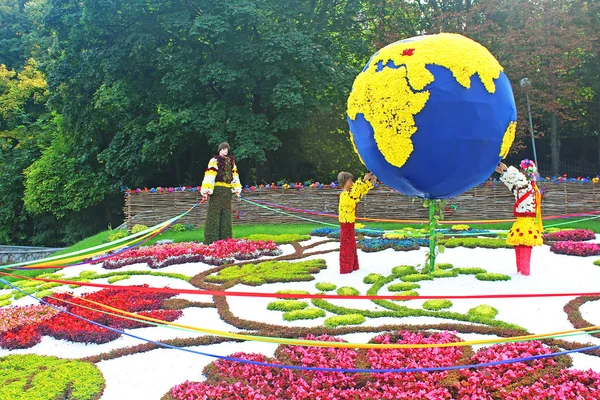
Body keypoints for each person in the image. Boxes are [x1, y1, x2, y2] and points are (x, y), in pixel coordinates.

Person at [496, 160, 543, 276]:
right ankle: (521, 272)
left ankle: (524, 272)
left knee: (524, 244)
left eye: (522, 170)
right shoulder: (528, 187)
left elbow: (516, 179)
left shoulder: (526, 185)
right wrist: (504, 173)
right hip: (524, 221)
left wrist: (506, 170)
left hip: (525, 221)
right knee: (520, 244)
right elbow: (513, 183)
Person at [200, 142, 242, 244]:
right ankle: (211, 240)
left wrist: (236, 189)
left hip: (227, 191)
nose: (225, 151)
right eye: (224, 149)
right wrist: (206, 191)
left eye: (227, 149)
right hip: (217, 190)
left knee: (226, 216)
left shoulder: (231, 162)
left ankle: (226, 240)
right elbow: (210, 175)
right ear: (220, 150)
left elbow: (235, 176)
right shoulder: (214, 161)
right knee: (214, 215)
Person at [337, 171, 377, 274]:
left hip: (350, 224)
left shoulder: (349, 194)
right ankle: (346, 268)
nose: (352, 182)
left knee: (351, 244)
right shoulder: (344, 195)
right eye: (350, 180)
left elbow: (358, 193)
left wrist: (368, 182)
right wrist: (364, 181)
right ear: (345, 182)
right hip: (346, 225)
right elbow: (355, 195)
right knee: (347, 245)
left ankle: (352, 266)